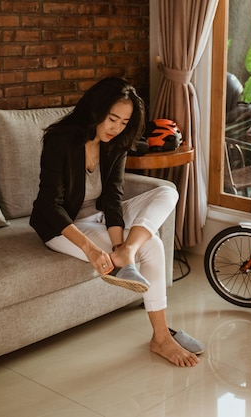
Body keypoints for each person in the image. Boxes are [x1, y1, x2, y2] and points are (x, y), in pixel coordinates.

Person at [30, 77, 203, 367]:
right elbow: (50, 206)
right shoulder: (60, 139)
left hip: (98, 216)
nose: (117, 128)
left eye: (124, 122)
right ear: (96, 110)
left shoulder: (116, 142)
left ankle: (128, 254)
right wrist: (91, 250)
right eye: (112, 119)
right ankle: (161, 337)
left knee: (166, 192)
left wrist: (119, 243)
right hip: (63, 225)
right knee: (156, 245)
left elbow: (112, 198)